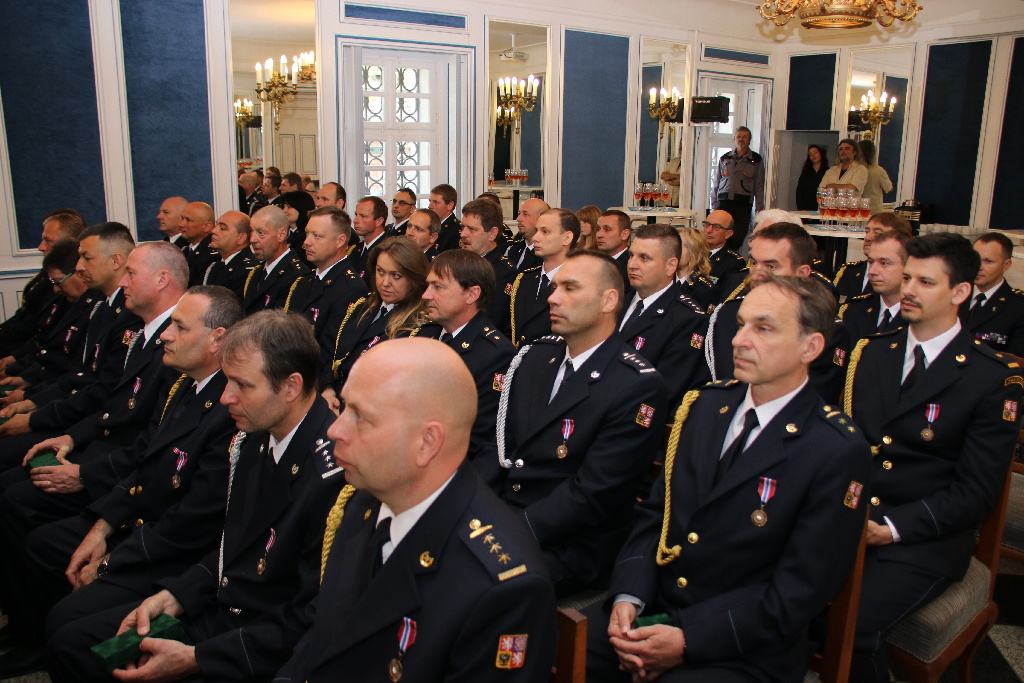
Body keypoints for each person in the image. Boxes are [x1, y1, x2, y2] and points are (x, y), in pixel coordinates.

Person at [586, 274, 871, 683]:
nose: (739, 340)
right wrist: (628, 595)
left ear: (810, 347)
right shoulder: (704, 406)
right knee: (545, 641)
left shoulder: (834, 449)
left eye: (764, 328)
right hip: (658, 604)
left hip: (743, 643)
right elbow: (656, 516)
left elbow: (801, 588)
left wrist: (689, 638)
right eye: (740, 324)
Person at [43, 309, 347, 683]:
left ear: (290, 387)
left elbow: (309, 617)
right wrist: (177, 595)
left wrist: (198, 659)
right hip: (221, 606)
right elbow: (233, 548)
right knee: (71, 642)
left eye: (242, 385)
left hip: (255, 643)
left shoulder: (332, 476)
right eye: (227, 381)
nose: (226, 397)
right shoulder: (256, 437)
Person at [277, 338, 557, 681]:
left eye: (361, 417)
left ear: (427, 442)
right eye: (345, 407)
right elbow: (321, 637)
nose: (335, 429)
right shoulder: (364, 502)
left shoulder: (502, 590)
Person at [0, 284, 237, 676]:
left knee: (67, 627)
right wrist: (102, 527)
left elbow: (192, 519)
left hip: (173, 550)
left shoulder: (228, 408)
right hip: (141, 521)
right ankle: (32, 635)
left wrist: (112, 561)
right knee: (41, 546)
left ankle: (42, 641)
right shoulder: (183, 384)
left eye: (180, 327)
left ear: (217, 339)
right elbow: (145, 461)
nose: (166, 335)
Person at [845, 232, 1024, 681]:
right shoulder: (872, 352)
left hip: (922, 536)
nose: (908, 289)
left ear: (960, 292)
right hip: (851, 516)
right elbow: (847, 447)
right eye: (907, 277)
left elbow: (976, 492)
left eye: (925, 282)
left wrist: (890, 529)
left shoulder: (991, 378)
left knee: (853, 626)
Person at [479, 251, 668, 596]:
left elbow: (592, 494)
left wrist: (509, 530)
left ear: (608, 301)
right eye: (554, 288)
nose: (553, 298)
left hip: (569, 543)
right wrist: (471, 509)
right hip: (508, 516)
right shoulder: (536, 357)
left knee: (468, 583)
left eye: (570, 288)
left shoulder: (636, 384)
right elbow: (500, 448)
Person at [0, 224, 141, 439]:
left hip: (93, 424)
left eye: (86, 258)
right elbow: (79, 372)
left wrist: (37, 417)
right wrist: (34, 399)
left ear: (116, 261)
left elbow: (105, 390)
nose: (79, 266)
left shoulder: (131, 314)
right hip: (74, 407)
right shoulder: (102, 306)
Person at [706, 222, 850, 404]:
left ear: (802, 273)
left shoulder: (823, 326)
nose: (757, 273)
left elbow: (814, 399)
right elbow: (721, 381)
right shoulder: (728, 313)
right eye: (754, 262)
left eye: (771, 266)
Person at [423, 250, 514, 462]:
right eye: (428, 285)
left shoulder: (495, 355)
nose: (426, 295)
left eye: (438, 287)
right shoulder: (425, 334)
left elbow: (478, 440)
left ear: (471, 295)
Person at [323, 237, 436, 402]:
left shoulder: (421, 325)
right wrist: (328, 390)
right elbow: (331, 354)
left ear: (414, 279)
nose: (385, 282)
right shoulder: (361, 307)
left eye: (396, 276)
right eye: (380, 271)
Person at [620, 224, 711, 406]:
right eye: (631, 255)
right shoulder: (616, 302)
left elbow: (665, 389)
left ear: (670, 266)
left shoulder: (688, 318)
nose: (632, 265)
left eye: (644, 258)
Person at [284, 206, 368, 371]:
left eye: (317, 236)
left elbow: (331, 353)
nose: (306, 242)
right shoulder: (303, 281)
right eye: (307, 234)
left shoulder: (351, 288)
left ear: (340, 241)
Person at [0, 210, 86, 357]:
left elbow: (38, 328)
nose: (41, 247)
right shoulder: (49, 275)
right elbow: (26, 316)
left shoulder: (68, 282)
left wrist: (17, 360)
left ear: (70, 243)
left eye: (48, 240)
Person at [503, 208, 579, 348]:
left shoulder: (577, 283)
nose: (535, 238)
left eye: (545, 232)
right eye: (536, 230)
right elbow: (512, 333)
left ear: (567, 238)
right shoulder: (524, 279)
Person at [960, 232, 1024, 356]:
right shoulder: (955, 293)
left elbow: (1014, 360)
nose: (979, 267)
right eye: (976, 259)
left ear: (1006, 265)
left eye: (988, 261)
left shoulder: (1019, 307)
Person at [839, 230, 910, 343]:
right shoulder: (853, 310)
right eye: (871, 262)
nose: (872, 271)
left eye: (884, 263)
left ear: (908, 267)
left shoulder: (919, 319)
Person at [460, 199, 517, 330]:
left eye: (472, 229)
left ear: (492, 233)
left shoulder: (503, 272)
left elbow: (492, 321)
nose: (463, 234)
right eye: (462, 227)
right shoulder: (459, 263)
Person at [241, 206, 310, 315]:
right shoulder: (257, 272)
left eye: (261, 233)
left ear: (281, 235)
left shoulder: (296, 276)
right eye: (251, 231)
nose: (253, 239)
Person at [834, 212, 912, 301]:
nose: (867, 237)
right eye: (867, 231)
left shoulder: (904, 280)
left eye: (878, 233)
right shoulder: (848, 271)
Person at [710, 126, 765, 250]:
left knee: (737, 236)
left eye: (744, 137)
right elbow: (716, 182)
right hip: (723, 203)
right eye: (738, 137)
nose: (741, 139)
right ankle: (719, 258)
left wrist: (759, 208)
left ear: (749, 140)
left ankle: (731, 257)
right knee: (720, 235)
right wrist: (714, 204)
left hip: (742, 205)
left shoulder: (756, 160)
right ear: (734, 139)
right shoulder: (725, 158)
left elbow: (759, 185)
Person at [203, 210, 257, 297]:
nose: (213, 230)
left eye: (223, 228)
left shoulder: (246, 271)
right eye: (216, 225)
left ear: (241, 238)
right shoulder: (217, 265)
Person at [675, 225, 720, 312]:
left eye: (679, 247)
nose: (673, 252)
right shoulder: (664, 281)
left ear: (694, 252)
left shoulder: (706, 290)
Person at [177, 202, 219, 288]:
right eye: (182, 218)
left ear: (207, 226)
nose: (181, 224)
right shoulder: (184, 249)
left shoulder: (211, 256)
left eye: (188, 220)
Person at [351, 196, 389, 282]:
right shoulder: (357, 249)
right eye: (356, 215)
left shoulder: (387, 249)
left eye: (363, 216)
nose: (355, 220)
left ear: (379, 221)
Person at [505, 197, 549, 272]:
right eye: (519, 213)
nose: (518, 218)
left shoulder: (547, 253)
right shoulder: (514, 246)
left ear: (541, 218)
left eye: (525, 214)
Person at [704, 210, 745, 285]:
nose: (709, 230)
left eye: (716, 227)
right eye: (707, 224)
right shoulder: (694, 253)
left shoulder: (734, 262)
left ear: (728, 234)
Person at [595, 210, 632, 283]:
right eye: (598, 229)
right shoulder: (595, 262)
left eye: (607, 229)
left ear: (624, 234)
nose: (599, 235)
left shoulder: (631, 267)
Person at [858, 139, 893, 214]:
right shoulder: (879, 171)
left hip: (855, 209)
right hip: (874, 210)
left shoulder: (853, 170)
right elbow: (889, 188)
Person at [280, 189, 316, 255]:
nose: (284, 210)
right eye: (284, 207)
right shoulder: (283, 232)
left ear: (301, 208)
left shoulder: (307, 235)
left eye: (289, 207)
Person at [428, 183, 461, 252]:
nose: (430, 206)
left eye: (435, 202)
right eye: (430, 201)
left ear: (450, 205)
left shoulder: (456, 230)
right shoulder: (430, 225)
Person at [795, 144, 828, 210]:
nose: (813, 155)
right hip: (806, 207)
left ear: (821, 154)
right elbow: (799, 192)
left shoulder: (828, 171)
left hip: (822, 207)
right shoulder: (806, 172)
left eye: (815, 153)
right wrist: (801, 208)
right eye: (810, 154)